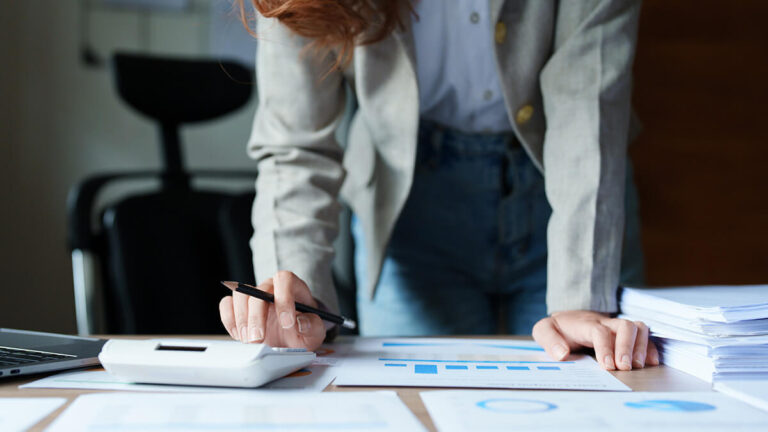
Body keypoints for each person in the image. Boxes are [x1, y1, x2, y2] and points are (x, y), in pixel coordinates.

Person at [219, 0, 659, 371]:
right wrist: (294, 296)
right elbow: (295, 147)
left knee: (593, 391)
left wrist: (582, 294)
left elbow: (588, 111)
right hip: (407, 213)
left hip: (575, 202)